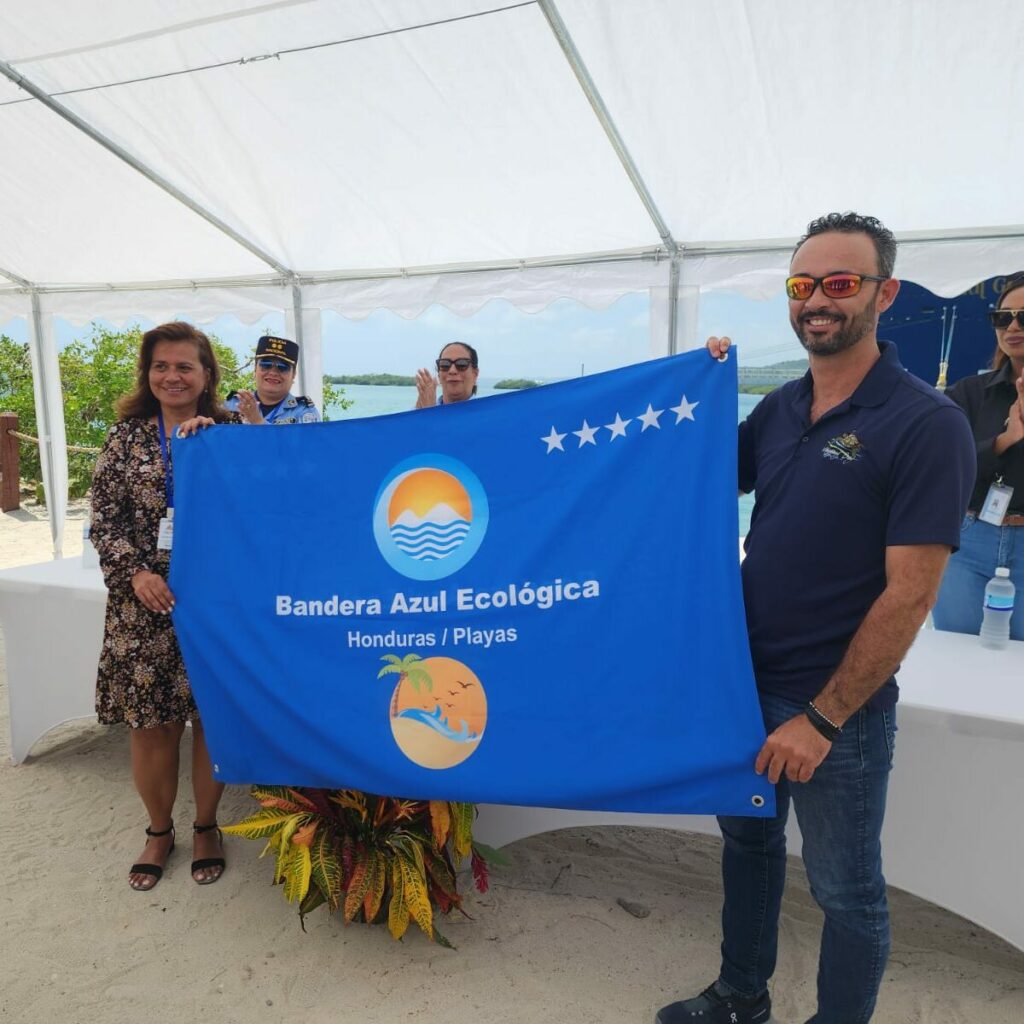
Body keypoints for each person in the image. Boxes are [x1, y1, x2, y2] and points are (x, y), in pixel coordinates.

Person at [656, 213, 975, 1024]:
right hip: (745, 686)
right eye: (803, 286)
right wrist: (690, 389)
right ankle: (740, 997)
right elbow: (687, 480)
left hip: (837, 716)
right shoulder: (781, 409)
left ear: (885, 293)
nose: (817, 302)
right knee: (750, 848)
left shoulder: (925, 422)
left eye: (840, 284)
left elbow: (910, 594)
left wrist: (823, 719)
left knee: (847, 892)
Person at [90, 321, 238, 891]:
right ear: (147, 374)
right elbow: (104, 520)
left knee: (211, 721)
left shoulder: (225, 435)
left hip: (215, 604)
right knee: (153, 726)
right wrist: (136, 573)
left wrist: (222, 447)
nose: (171, 376)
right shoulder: (124, 437)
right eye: (161, 366)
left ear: (206, 376)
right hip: (143, 605)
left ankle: (205, 825)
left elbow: (267, 508)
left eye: (184, 366)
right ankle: (158, 830)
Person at [932, 273, 1024, 638]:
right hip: (968, 541)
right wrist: (1005, 440)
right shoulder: (968, 393)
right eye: (1003, 317)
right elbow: (942, 464)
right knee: (956, 653)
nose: (1013, 325)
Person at [224, 334, 320, 424]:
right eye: (266, 365)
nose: (273, 372)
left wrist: (258, 421)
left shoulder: (304, 412)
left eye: (282, 367)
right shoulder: (231, 405)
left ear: (293, 374)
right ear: (255, 369)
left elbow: (308, 442)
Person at [414, 341, 479, 408]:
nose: (452, 371)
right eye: (445, 365)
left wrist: (428, 413)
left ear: (475, 374)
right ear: (439, 375)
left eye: (461, 364)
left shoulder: (486, 412)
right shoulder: (416, 411)